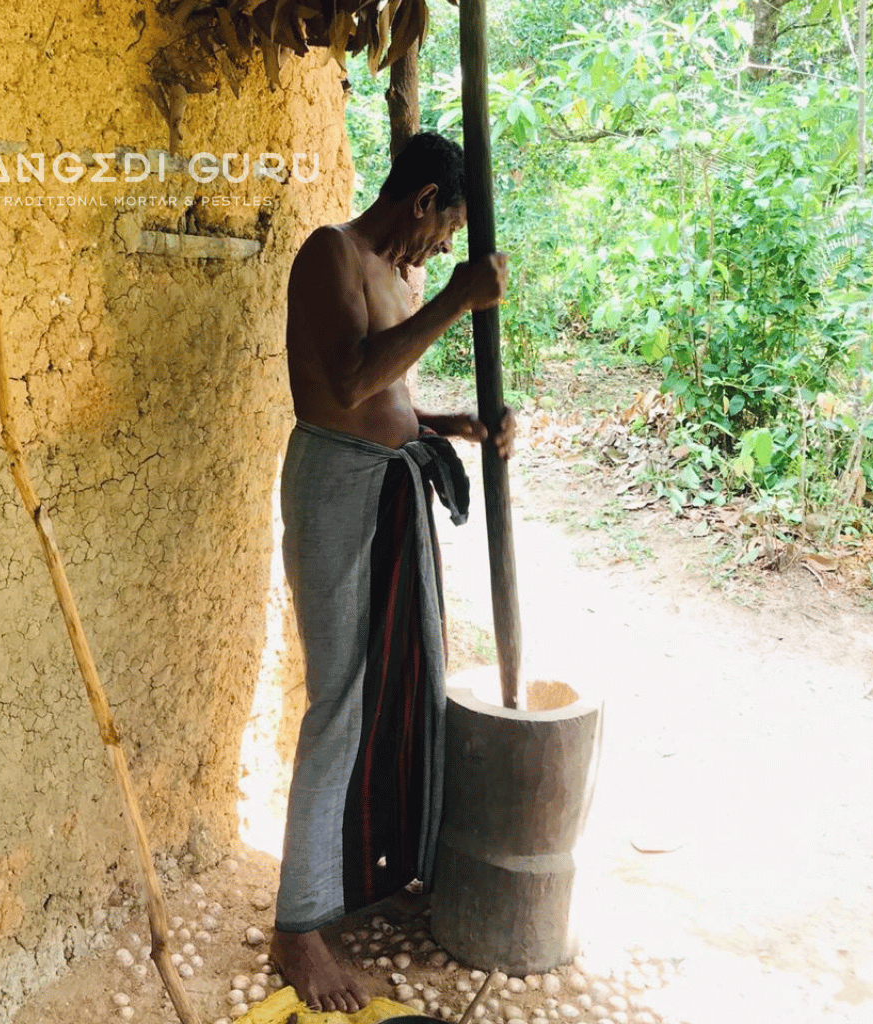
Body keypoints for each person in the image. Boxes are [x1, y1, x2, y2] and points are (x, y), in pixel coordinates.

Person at [270, 131, 512, 1013]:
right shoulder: (330, 254)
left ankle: (374, 862)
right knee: (340, 701)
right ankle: (297, 928)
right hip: (338, 489)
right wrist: (453, 300)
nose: (440, 254)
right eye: (444, 234)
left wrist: (451, 425)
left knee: (402, 685)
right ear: (422, 202)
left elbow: (389, 398)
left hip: (390, 487)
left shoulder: (405, 276)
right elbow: (339, 392)